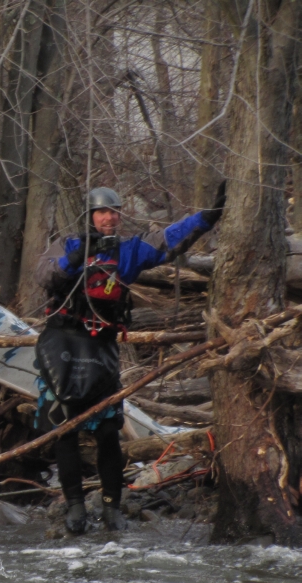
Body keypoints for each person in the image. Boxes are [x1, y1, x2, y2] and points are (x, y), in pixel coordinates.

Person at [34, 184, 225, 533]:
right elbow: (45, 274)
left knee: (108, 429)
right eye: (102, 213)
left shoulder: (129, 251)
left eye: (114, 212)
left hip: (100, 345)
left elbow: (168, 239)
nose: (109, 218)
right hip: (62, 339)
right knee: (65, 427)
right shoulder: (70, 244)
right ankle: (75, 506)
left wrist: (206, 219)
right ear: (90, 216)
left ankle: (111, 507)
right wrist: (74, 260)